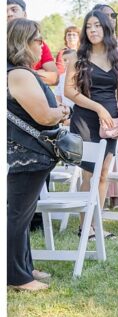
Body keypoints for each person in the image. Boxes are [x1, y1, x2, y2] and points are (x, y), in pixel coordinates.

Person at [7, 19, 69, 290]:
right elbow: (44, 116)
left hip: (27, 155)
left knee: (23, 213)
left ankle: (25, 266)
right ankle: (15, 277)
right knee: (16, 215)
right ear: (22, 42)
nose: (41, 44)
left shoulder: (18, 72)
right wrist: (63, 112)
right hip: (26, 155)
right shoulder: (19, 74)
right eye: (37, 39)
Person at [64, 11, 118, 234]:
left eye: (97, 26)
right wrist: (98, 107)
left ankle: (96, 225)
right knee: (88, 173)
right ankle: (85, 227)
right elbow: (69, 91)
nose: (92, 30)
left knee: (103, 173)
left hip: (109, 123)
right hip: (85, 119)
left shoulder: (117, 57)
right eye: (89, 26)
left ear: (106, 29)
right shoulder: (77, 57)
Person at [7, 0, 58, 85]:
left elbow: (55, 77)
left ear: (24, 14)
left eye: (14, 10)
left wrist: (29, 73)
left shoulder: (38, 43)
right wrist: (39, 73)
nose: (9, 14)